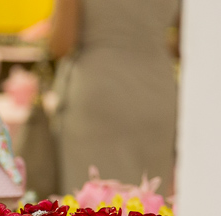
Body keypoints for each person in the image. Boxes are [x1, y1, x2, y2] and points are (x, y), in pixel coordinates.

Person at [48, 0, 179, 196]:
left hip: (98, 92)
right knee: (148, 206)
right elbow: (189, 41)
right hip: (156, 91)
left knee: (90, 208)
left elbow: (61, 44)